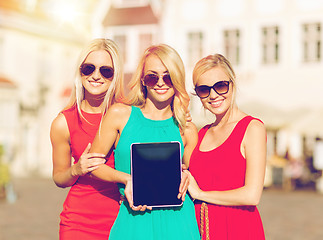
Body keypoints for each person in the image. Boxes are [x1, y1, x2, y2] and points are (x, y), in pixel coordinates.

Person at [89, 44, 200, 239]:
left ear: (177, 79)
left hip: (179, 223)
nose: (160, 83)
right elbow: (92, 165)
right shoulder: (119, 115)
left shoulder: (188, 129)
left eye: (168, 77)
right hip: (133, 219)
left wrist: (187, 177)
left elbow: (193, 174)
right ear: (142, 80)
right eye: (152, 76)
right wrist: (127, 179)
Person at [50, 38, 124, 239]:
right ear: (80, 72)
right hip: (78, 224)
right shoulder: (63, 122)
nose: (96, 76)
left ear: (115, 76)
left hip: (123, 220)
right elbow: (59, 177)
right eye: (88, 68)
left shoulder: (129, 114)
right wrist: (76, 169)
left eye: (105, 71)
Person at [187, 54, 266, 240]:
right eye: (204, 90)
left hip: (238, 228)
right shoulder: (201, 133)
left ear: (233, 83)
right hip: (201, 229)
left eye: (220, 86)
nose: (213, 95)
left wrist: (200, 194)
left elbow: (252, 195)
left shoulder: (252, 127)